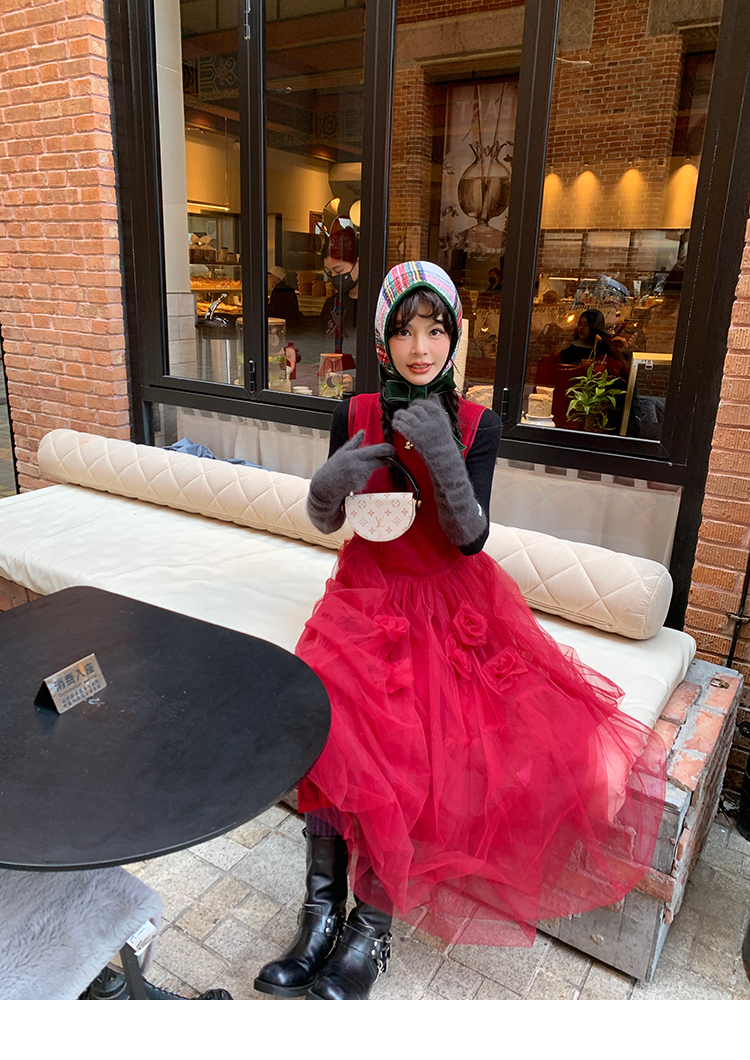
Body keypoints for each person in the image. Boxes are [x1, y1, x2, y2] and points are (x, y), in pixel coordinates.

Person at [254, 261, 665, 1001]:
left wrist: (443, 452)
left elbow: (469, 537)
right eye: (405, 330)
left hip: (446, 604)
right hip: (362, 600)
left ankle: (369, 931)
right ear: (383, 340)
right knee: (328, 733)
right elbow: (328, 520)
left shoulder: (479, 424)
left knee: (411, 755)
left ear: (454, 336)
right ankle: (320, 913)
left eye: (435, 329)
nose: (420, 347)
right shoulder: (354, 410)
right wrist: (326, 486)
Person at [536, 309, 629, 429]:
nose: (582, 328)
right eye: (580, 324)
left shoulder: (603, 349)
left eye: (586, 325)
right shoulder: (571, 349)